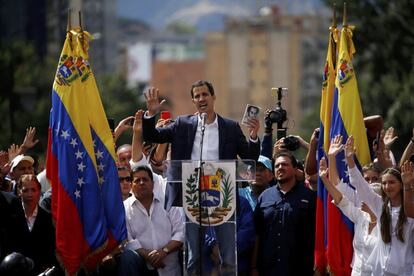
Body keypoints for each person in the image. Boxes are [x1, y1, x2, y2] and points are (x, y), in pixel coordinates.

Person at [142, 80, 260, 208]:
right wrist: (151, 114)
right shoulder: (182, 124)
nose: (201, 99)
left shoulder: (230, 127)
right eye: (197, 96)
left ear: (213, 97)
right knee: (190, 228)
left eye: (205, 94)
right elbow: (153, 136)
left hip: (222, 197)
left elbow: (249, 159)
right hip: (188, 195)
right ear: (193, 101)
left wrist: (253, 136)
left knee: (222, 228)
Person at [345, 136, 414, 275]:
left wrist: (408, 185)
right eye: (384, 183)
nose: (387, 187)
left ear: (401, 184)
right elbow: (360, 184)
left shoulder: (409, 208)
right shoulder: (380, 205)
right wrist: (350, 160)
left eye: (392, 182)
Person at [252, 152, 316, 275]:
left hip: (300, 269)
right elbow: (257, 234)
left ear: (294, 169)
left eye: (285, 164)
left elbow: (318, 234)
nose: (280, 168)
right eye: (277, 166)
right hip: (268, 269)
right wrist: (253, 267)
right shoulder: (264, 196)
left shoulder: (309, 197)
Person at [118, 165, 184, 276]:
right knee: (127, 257)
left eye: (145, 179)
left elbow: (181, 232)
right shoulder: (124, 208)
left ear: (153, 184)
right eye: (137, 180)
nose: (141, 183)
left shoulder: (167, 202)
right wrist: (149, 256)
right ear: (131, 186)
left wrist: (164, 252)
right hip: (142, 266)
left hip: (169, 268)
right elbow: (127, 239)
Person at [16, 174, 56, 275]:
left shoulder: (47, 218)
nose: (30, 194)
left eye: (33, 190)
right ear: (19, 192)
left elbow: (49, 251)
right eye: (25, 190)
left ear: (39, 191)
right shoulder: (11, 215)